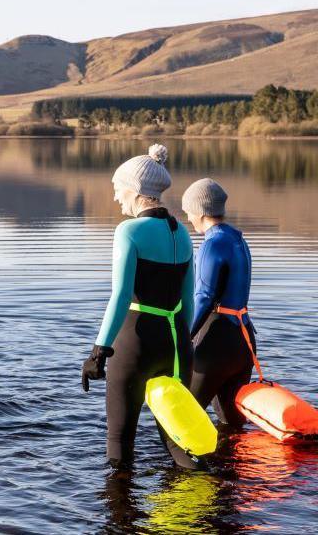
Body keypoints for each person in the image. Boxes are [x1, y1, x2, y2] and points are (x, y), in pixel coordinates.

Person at [81, 144, 199, 469]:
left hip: (135, 345)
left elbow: (120, 295)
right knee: (180, 443)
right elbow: (187, 301)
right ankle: (204, 506)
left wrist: (98, 351)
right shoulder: (184, 234)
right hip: (176, 346)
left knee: (120, 441)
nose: (117, 197)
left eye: (119, 189)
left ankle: (120, 516)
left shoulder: (129, 230)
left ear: (135, 190)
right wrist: (183, 343)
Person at [182, 178, 255, 427]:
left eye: (188, 212)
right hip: (244, 342)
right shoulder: (239, 240)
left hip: (217, 344)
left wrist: (183, 338)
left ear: (200, 211)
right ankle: (234, 466)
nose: (188, 218)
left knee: (183, 420)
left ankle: (181, 467)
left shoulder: (212, 243)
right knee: (231, 426)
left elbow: (203, 297)